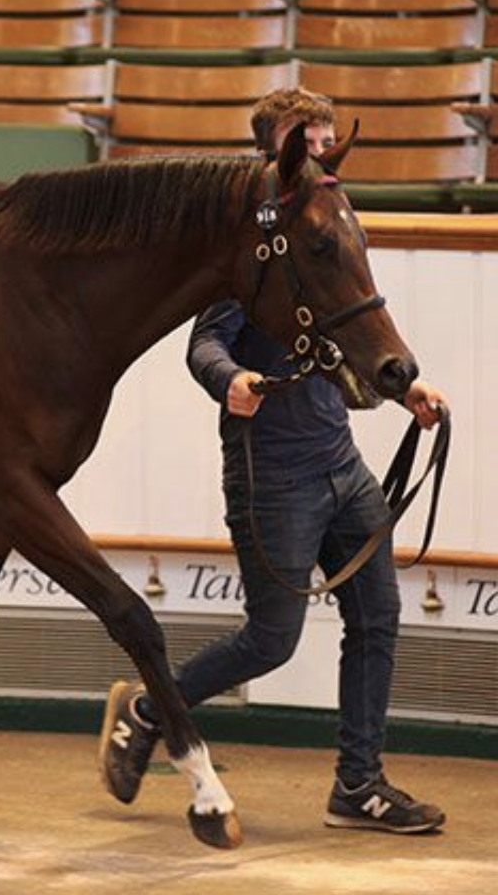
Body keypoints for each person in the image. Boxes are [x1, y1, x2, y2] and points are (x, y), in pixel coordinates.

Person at [98, 87, 449, 835]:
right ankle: (149, 705)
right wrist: (232, 381)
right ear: (276, 150)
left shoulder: (323, 228)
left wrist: (405, 388)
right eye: (308, 141)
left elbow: (355, 335)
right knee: (271, 640)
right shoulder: (250, 245)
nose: (321, 153)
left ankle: (359, 785)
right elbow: (205, 344)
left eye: (325, 140)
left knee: (378, 617)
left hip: (339, 461)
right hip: (274, 475)